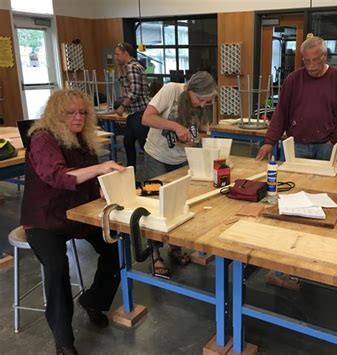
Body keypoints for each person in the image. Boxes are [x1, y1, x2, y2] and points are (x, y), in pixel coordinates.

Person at [21, 89, 125, 354]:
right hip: (45, 219)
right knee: (56, 270)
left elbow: (88, 179)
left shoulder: (82, 138)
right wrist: (101, 169)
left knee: (115, 249)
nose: (78, 117)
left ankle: (93, 300)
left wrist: (103, 187)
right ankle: (64, 341)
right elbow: (59, 177)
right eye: (71, 112)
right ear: (57, 114)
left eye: (83, 112)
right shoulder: (42, 138)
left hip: (78, 213)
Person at [141, 71, 217, 278]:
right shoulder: (171, 91)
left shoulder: (201, 107)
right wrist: (175, 126)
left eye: (207, 101)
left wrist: (191, 139)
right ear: (190, 90)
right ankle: (155, 254)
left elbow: (201, 133)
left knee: (180, 203)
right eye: (200, 99)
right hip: (156, 156)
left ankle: (175, 247)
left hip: (180, 159)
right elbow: (146, 118)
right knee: (156, 205)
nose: (202, 104)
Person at [256, 36, 337, 161]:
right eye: (307, 61)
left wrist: (334, 140)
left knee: (323, 181)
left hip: (326, 146)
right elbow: (281, 113)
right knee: (292, 180)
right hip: (297, 144)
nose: (311, 66)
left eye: (315, 60)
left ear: (324, 56)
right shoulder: (293, 80)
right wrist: (270, 141)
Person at [115, 42, 150, 170]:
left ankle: (150, 172)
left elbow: (134, 91)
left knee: (144, 145)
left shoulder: (132, 67)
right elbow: (123, 82)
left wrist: (122, 106)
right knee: (128, 142)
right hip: (133, 113)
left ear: (126, 53)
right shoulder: (130, 67)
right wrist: (119, 67)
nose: (116, 57)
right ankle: (131, 172)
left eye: (118, 54)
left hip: (139, 113)